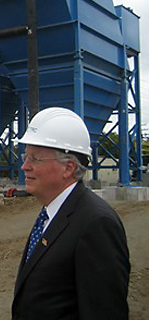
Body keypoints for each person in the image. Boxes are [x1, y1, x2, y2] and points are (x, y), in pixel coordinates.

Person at [12, 107, 130, 320]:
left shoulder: (96, 224)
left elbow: (104, 311)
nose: (24, 167)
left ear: (68, 168)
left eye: (35, 159)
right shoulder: (52, 212)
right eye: (25, 156)